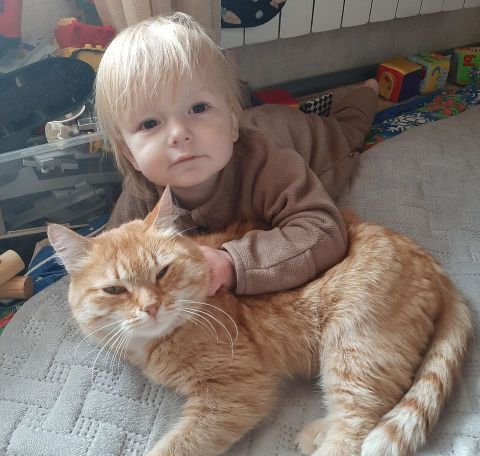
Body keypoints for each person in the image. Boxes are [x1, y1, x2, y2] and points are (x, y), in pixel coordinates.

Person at [96, 12, 379, 297]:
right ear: (128, 154)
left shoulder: (267, 165)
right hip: (256, 120)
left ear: (232, 122)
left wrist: (234, 262)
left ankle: (367, 90)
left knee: (350, 129)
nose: (178, 134)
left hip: (301, 137)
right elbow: (104, 260)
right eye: (149, 123)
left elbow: (325, 231)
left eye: (198, 108)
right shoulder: (140, 198)